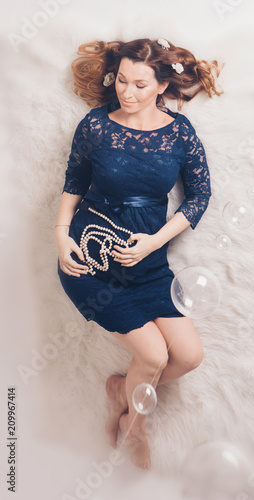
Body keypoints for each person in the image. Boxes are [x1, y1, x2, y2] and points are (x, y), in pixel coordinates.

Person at [55, 37, 224, 470]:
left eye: (141, 86)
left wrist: (155, 241)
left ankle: (120, 391)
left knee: (188, 356)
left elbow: (200, 196)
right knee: (153, 355)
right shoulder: (95, 124)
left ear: (163, 87)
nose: (127, 94)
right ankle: (136, 426)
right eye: (122, 82)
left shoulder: (180, 132)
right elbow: (74, 182)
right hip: (90, 257)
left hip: (147, 262)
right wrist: (60, 236)